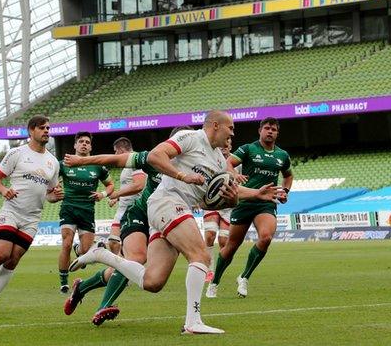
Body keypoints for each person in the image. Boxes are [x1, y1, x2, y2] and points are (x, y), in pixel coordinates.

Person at [70, 111, 283, 334]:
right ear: (215, 125)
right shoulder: (190, 137)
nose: (232, 133)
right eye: (230, 129)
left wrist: (254, 194)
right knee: (201, 255)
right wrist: (182, 176)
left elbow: (215, 199)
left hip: (174, 209)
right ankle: (193, 322)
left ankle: (102, 255)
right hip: (166, 202)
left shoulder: (219, 160)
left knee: (153, 281)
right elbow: (155, 156)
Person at [63, 127, 189, 326]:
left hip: (165, 221)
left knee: (136, 271)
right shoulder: (154, 158)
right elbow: (115, 162)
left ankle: (82, 287)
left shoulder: (194, 168)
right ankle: (102, 307)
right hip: (139, 214)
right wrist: (83, 161)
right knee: (136, 258)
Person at [0, 115, 64, 317]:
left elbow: (49, 195)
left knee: (13, 260)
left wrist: (55, 196)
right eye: (42, 128)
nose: (47, 131)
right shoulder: (17, 153)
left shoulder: (53, 162)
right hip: (11, 212)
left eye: (48, 128)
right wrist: (4, 190)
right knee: (1, 256)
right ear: (31, 131)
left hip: (32, 218)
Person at [207, 117, 292, 299]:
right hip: (244, 201)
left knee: (266, 237)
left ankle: (244, 277)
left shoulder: (282, 155)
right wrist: (233, 174)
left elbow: (288, 175)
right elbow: (228, 162)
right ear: (260, 130)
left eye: (274, 129)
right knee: (231, 246)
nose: (270, 131)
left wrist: (285, 191)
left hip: (266, 203)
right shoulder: (248, 148)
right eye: (267, 128)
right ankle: (215, 282)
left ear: (277, 133)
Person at [57, 132, 114, 293]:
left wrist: (102, 194)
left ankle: (79, 250)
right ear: (75, 145)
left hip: (87, 210)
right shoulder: (64, 164)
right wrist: (56, 187)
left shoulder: (98, 166)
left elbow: (110, 185)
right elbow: (53, 181)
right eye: (81, 141)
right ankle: (63, 282)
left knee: (85, 252)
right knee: (66, 243)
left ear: (91, 146)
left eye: (87, 142)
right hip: (68, 207)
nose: (84, 144)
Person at [202, 141, 240, 283]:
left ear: (231, 146)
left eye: (228, 144)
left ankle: (218, 271)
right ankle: (208, 270)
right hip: (211, 202)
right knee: (210, 234)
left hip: (228, 206)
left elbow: (240, 184)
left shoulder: (237, 163)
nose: (224, 146)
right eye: (222, 145)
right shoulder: (211, 159)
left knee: (224, 241)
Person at [107, 137, 146, 254]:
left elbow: (139, 185)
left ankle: (124, 268)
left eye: (116, 151)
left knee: (133, 250)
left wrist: (116, 194)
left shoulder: (136, 161)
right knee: (113, 242)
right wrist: (118, 198)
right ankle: (118, 269)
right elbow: (129, 185)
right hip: (122, 209)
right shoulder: (127, 164)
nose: (115, 154)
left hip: (134, 210)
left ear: (121, 150)